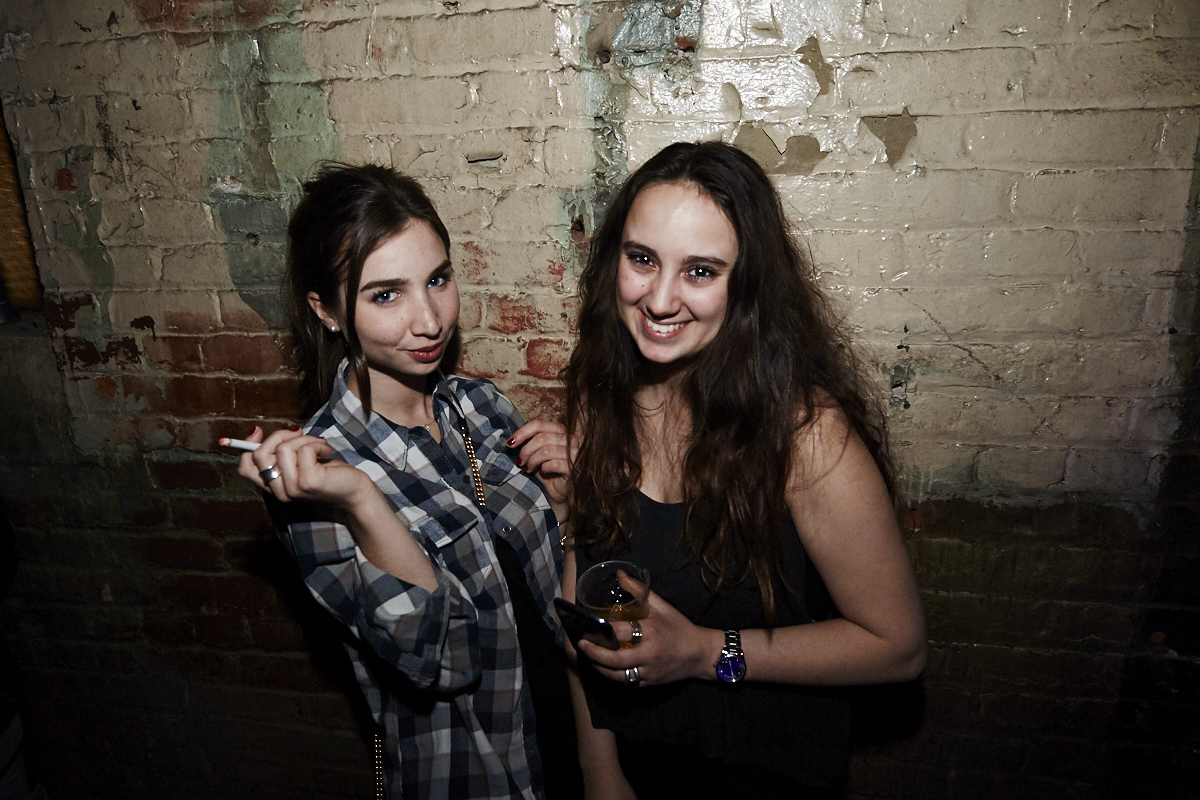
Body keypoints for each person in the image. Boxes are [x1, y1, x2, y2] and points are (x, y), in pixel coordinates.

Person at [560, 142, 927, 798]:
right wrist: (600, 772)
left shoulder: (805, 436)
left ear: (747, 284)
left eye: (700, 271)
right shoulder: (598, 398)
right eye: (642, 259)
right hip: (638, 764)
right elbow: (583, 609)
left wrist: (705, 652)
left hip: (763, 770)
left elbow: (897, 648)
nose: (660, 299)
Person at [235, 164, 580, 799]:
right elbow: (439, 661)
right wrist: (364, 501)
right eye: (386, 294)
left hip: (570, 738)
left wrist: (561, 508)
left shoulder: (481, 407)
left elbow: (545, 596)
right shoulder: (318, 484)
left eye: (438, 280)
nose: (429, 319)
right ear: (328, 310)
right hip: (478, 776)